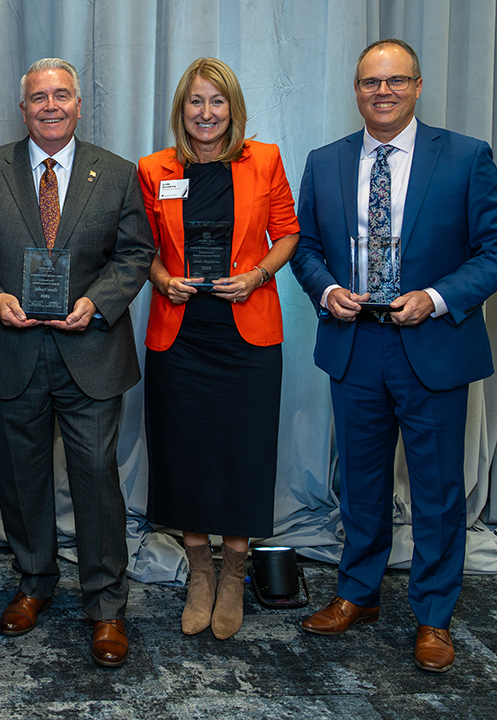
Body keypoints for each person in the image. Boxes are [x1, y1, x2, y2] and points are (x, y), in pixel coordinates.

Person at [291, 39, 497, 672]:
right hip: (356, 344)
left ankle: (433, 615)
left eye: (395, 81)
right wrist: (329, 290)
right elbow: (305, 248)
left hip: (434, 346)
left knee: (439, 491)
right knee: (360, 484)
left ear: (418, 86)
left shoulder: (466, 158)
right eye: (370, 83)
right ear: (357, 91)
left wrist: (438, 296)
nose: (382, 92)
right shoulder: (326, 161)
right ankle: (358, 593)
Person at [0, 58, 153, 668]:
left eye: (60, 95)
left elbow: (137, 252)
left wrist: (98, 302)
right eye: (38, 97)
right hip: (9, 348)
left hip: (90, 349)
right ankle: (35, 581)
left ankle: (106, 606)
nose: (49, 105)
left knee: (96, 479)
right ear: (23, 109)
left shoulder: (116, 174)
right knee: (19, 477)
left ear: (77, 104)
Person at [136, 58, 300, 640]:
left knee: (242, 453)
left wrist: (256, 276)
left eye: (217, 102)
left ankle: (234, 570)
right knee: (184, 453)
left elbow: (288, 232)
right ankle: (199, 570)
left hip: (247, 335)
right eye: (195, 102)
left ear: (233, 108)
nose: (206, 114)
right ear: (181, 110)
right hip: (179, 336)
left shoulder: (266, 160)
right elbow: (141, 249)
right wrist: (162, 278)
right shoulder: (154, 169)